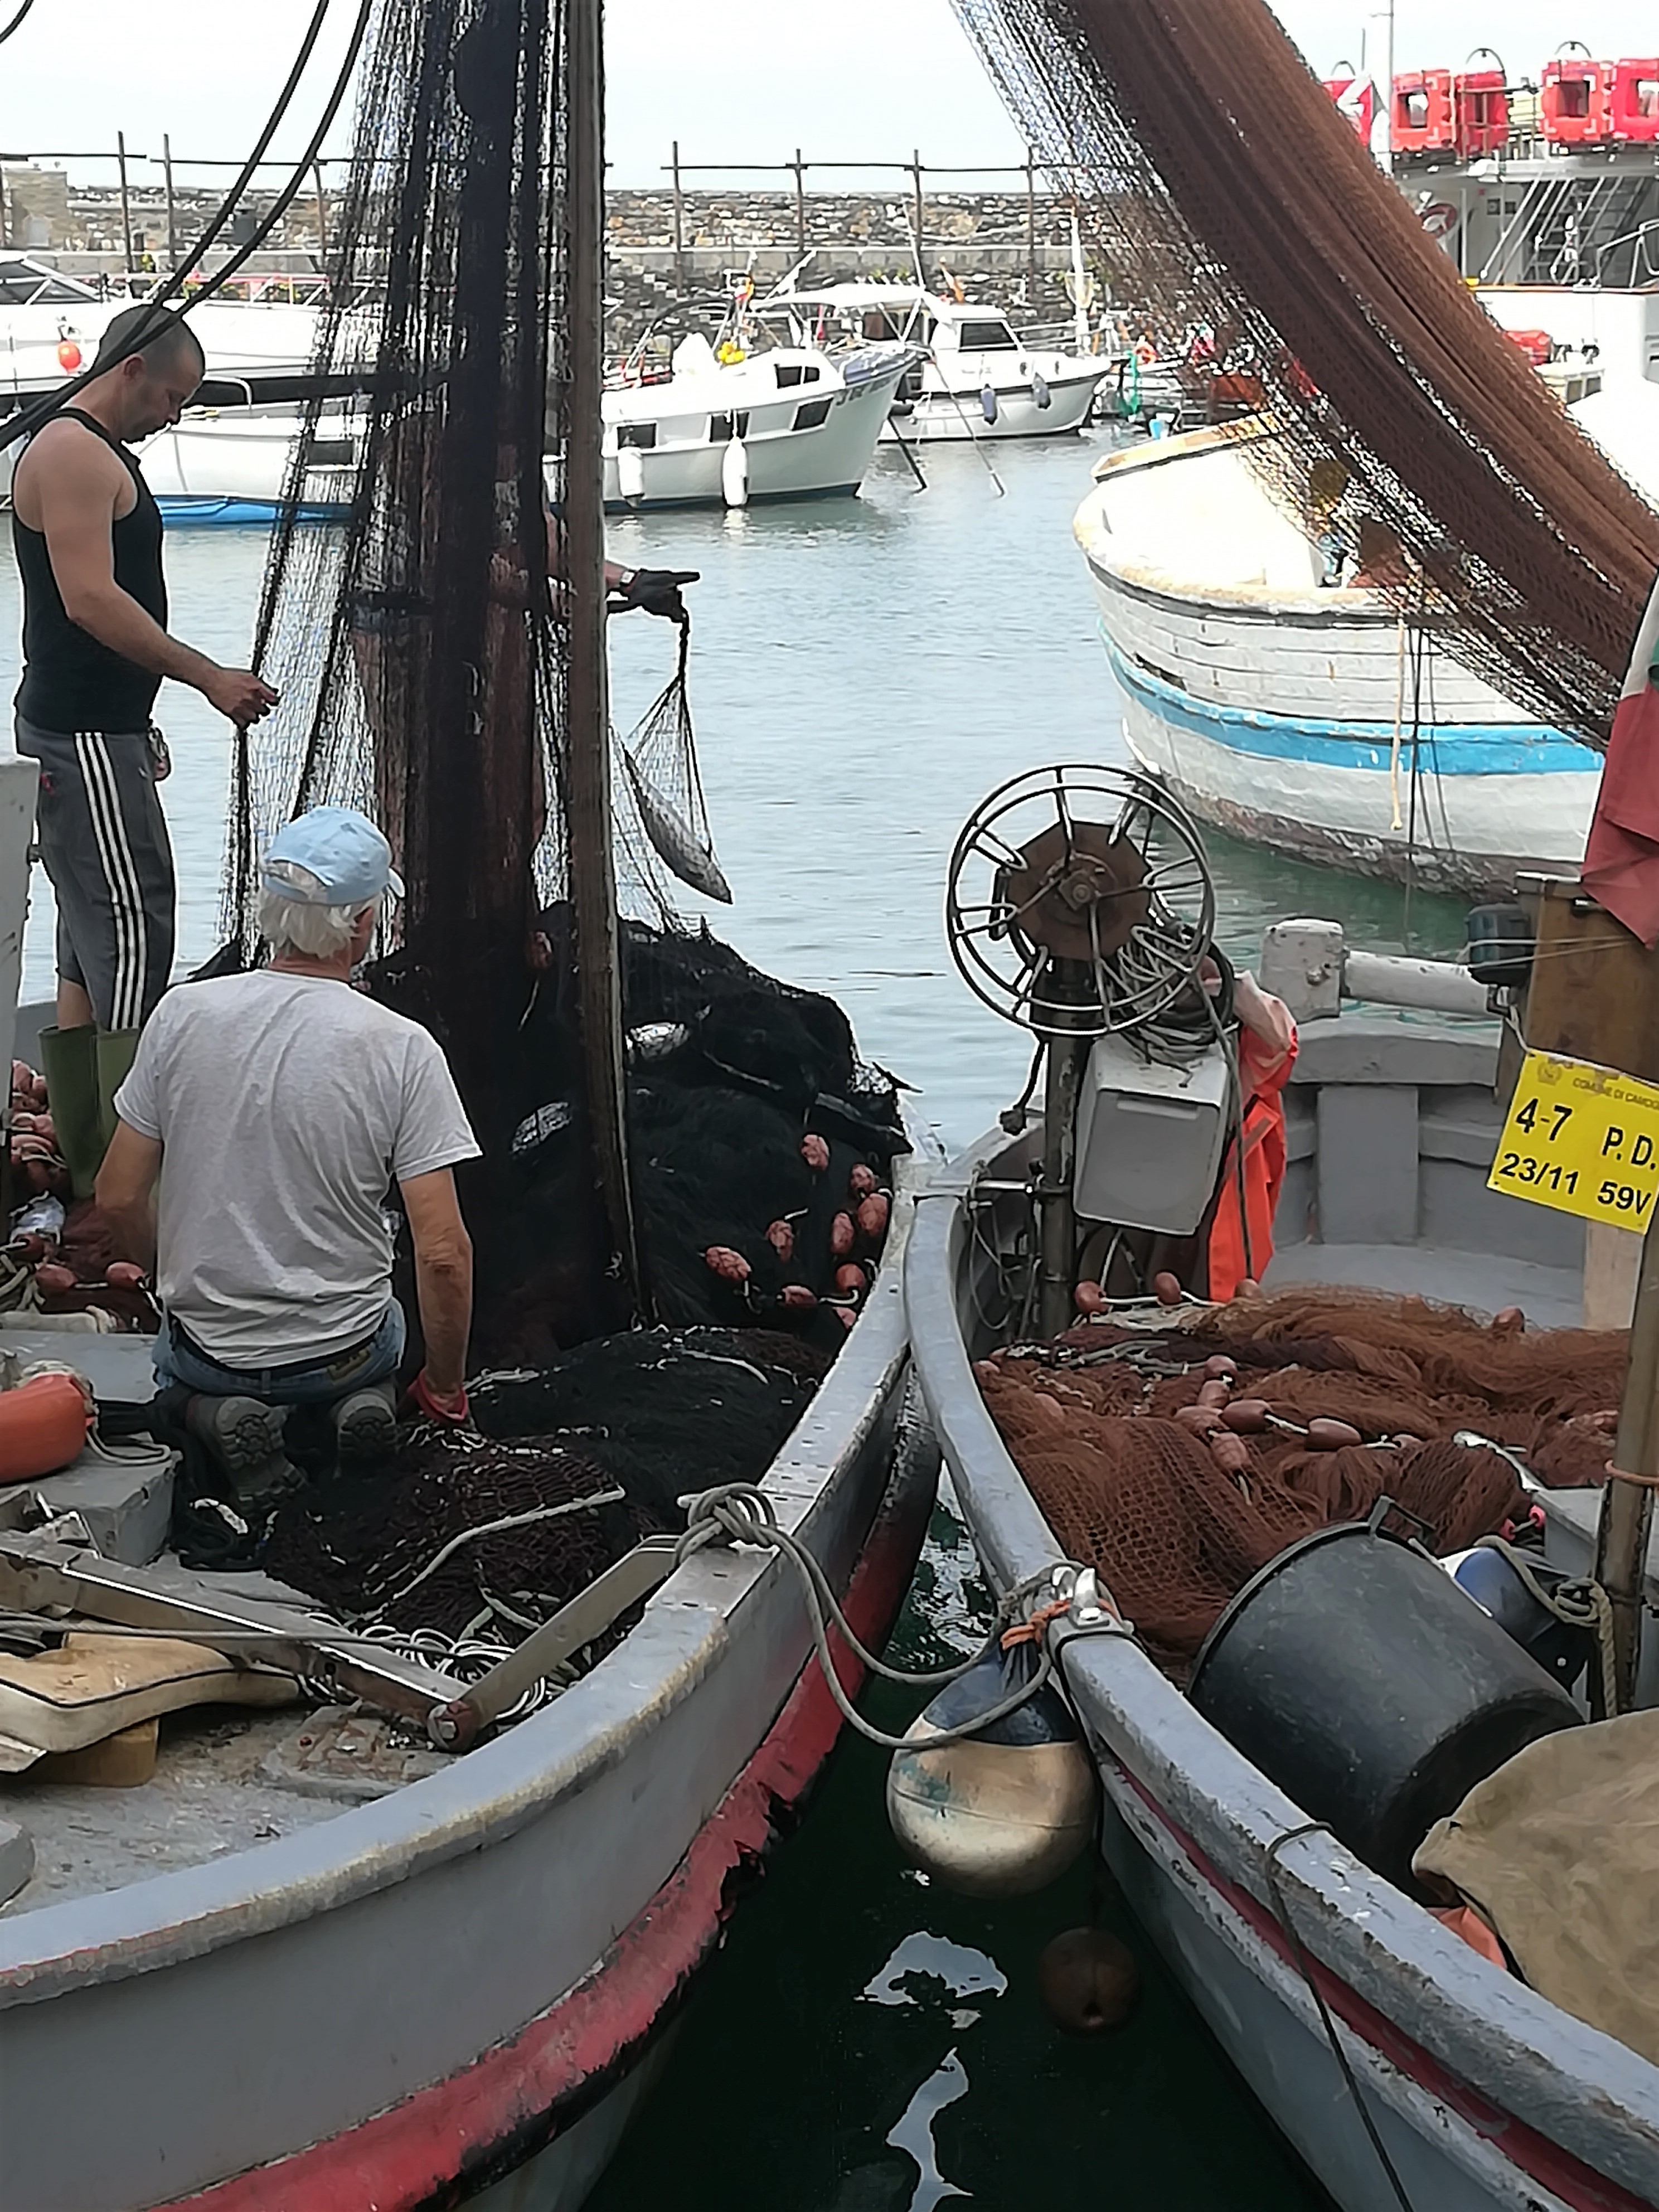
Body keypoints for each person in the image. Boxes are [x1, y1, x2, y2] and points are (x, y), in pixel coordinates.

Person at [95, 806, 480, 1480]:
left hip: (210, 1355)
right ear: (363, 923)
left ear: (270, 909)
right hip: (344, 1352)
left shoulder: (181, 1014)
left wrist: (167, 1282)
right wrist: (445, 1387)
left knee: (176, 1371)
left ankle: (203, 1410)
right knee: (382, 1326)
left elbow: (118, 1194)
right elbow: (443, 1253)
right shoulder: (403, 1047)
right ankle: (362, 1399)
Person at [11, 302, 278, 1187]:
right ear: (132, 370)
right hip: (82, 735)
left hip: (98, 726)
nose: (173, 415)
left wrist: (142, 716)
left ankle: (84, 1147)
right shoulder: (72, 452)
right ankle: (126, 1172)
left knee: (86, 933)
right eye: (172, 397)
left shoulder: (93, 450)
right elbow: (89, 599)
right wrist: (207, 678)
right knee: (132, 928)